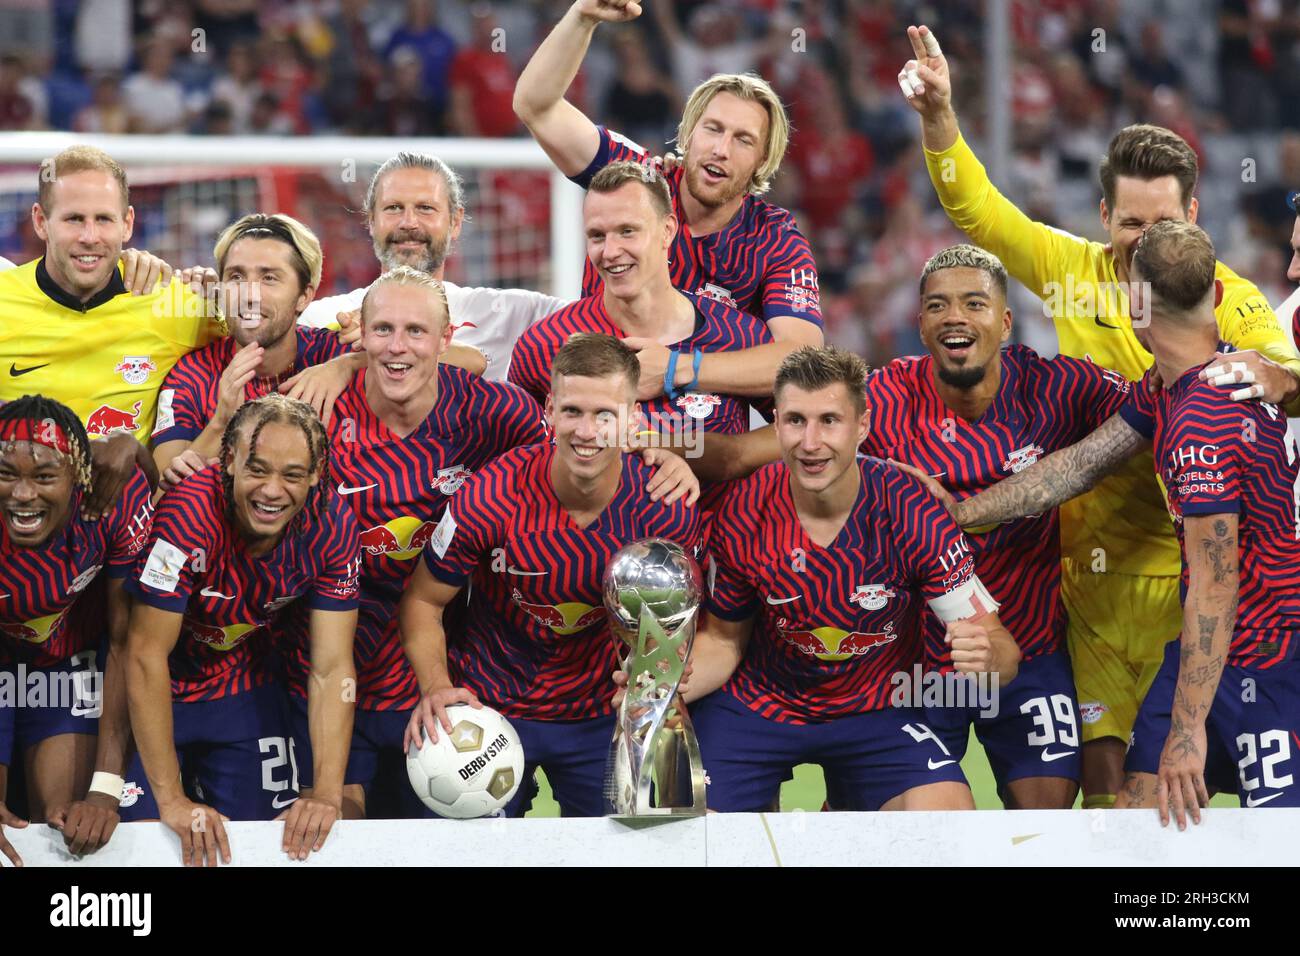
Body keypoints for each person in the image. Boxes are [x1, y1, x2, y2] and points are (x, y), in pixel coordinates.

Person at [899, 22, 1300, 808]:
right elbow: (977, 210)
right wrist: (940, 117)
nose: (1136, 248)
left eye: (1159, 228)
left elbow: (1273, 372)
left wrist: (1285, 375)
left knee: (1230, 807)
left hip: (1224, 595)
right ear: (1102, 215)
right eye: (1126, 226)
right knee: (1116, 802)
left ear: (1193, 216)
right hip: (1096, 584)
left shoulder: (1229, 315)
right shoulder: (1085, 286)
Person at [920, 222, 1300, 824]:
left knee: (1281, 840)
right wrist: (960, 514)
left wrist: (1187, 730)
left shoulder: (1201, 425)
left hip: (1269, 657)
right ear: (1219, 299)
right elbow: (1077, 466)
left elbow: (1214, 585)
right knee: (1137, 812)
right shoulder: (1188, 383)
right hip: (1215, 652)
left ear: (1135, 303)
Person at [682, 345, 1019, 812]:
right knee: (692, 835)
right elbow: (724, 642)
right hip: (761, 706)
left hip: (878, 708)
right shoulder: (744, 511)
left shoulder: (913, 511)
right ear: (776, 423)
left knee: (947, 820)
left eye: (829, 421)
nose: (811, 441)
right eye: (796, 420)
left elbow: (1000, 648)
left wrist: (988, 662)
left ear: (862, 426)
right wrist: (663, 685)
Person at [400, 334, 701, 817]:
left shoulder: (668, 506)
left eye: (605, 415)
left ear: (634, 421)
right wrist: (435, 685)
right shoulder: (489, 494)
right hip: (491, 709)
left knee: (664, 833)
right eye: (572, 412)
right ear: (549, 411)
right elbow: (422, 602)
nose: (586, 431)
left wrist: (656, 684)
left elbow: (680, 628)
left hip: (610, 713)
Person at [514, 0, 824, 398]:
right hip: (599, 399)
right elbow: (535, 105)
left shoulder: (775, 238)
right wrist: (582, 17)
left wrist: (679, 367)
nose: (721, 150)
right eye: (712, 129)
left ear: (764, 159)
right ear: (688, 134)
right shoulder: (637, 177)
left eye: (742, 139)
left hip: (705, 425)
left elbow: (802, 361)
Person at [123, 395, 360, 866]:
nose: (272, 491)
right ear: (228, 461)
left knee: (270, 847)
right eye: (258, 470)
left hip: (241, 688)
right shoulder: (187, 513)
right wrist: (171, 799)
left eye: (293, 475)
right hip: (156, 691)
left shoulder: (333, 524)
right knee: (142, 846)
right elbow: (143, 654)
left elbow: (332, 667)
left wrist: (328, 795)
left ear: (315, 475)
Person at [508, 162, 772, 481]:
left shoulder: (739, 335)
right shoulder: (544, 343)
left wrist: (732, 456)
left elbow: (803, 425)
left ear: (668, 231)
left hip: (713, 529)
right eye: (596, 236)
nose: (610, 251)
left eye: (627, 231)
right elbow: (519, 453)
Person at [0, 146, 225, 517]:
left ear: (128, 223)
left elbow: (276, 330)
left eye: (104, 219)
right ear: (40, 221)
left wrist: (340, 362)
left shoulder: (176, 303)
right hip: (18, 524)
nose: (90, 237)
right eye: (74, 219)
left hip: (122, 538)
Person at [0, 396, 152, 867]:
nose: (23, 495)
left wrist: (105, 790)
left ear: (81, 479)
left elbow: (127, 644)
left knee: (64, 831)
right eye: (6, 474)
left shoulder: (114, 498)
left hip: (69, 665)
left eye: (44, 477)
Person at [298, 152, 567, 382]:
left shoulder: (516, 317)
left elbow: (603, 323)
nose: (409, 222)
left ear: (456, 221)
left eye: (425, 208)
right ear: (371, 221)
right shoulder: (321, 320)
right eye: (393, 208)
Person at [150, 213, 350, 485]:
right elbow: (159, 504)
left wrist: (349, 364)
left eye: (269, 278)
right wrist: (221, 422)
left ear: (304, 296)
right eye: (236, 277)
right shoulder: (192, 374)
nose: (249, 294)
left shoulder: (333, 355)